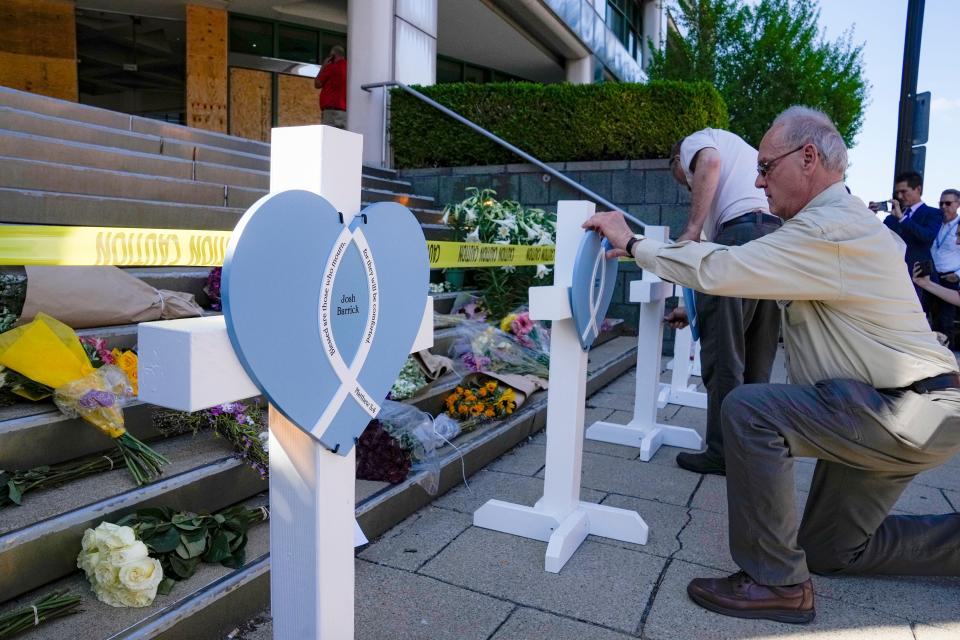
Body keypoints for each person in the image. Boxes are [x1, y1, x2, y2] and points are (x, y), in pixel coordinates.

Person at [584, 106, 960, 625]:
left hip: (904, 407)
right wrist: (685, 306)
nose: (758, 182)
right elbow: (758, 283)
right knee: (832, 551)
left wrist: (633, 242)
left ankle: (776, 584)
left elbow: (728, 267)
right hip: (910, 410)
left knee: (748, 410)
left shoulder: (828, 226)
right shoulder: (837, 224)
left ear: (808, 158)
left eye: (765, 167)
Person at [665, 129, 782, 476]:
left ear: (677, 160)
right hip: (774, 238)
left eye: (682, 177)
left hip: (739, 237)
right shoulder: (742, 154)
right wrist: (694, 309)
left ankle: (722, 453)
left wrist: (691, 228)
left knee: (723, 353)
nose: (686, 183)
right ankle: (753, 448)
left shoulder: (695, 142)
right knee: (758, 354)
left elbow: (710, 162)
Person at [875, 171, 941, 307]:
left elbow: (926, 236)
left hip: (919, 275)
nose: (900, 196)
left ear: (918, 189)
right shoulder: (892, 217)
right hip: (893, 274)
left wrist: (902, 218)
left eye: (904, 191)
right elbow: (879, 239)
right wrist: (870, 216)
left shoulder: (933, 213)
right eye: (897, 192)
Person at [926, 189, 960, 345]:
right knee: (924, 316)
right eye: (941, 203)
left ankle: (949, 360)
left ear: (958, 204)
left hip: (949, 278)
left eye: (948, 203)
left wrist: (958, 275)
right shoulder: (935, 222)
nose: (944, 207)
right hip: (930, 276)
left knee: (945, 320)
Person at [315, 45, 347, 130]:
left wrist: (323, 67)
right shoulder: (349, 68)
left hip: (330, 111)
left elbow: (317, 84)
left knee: (328, 139)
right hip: (344, 112)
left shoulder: (331, 67)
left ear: (333, 56)